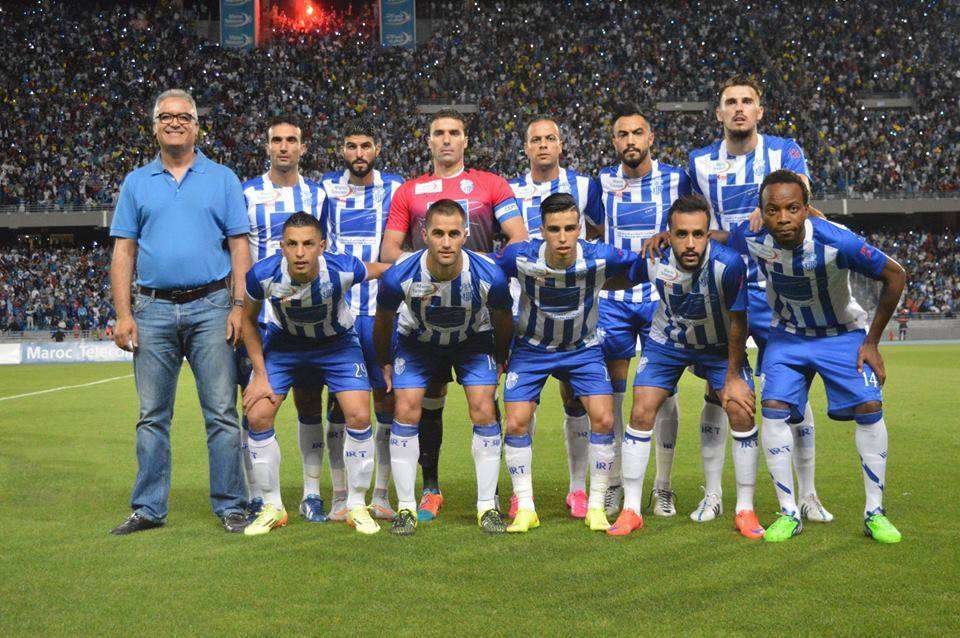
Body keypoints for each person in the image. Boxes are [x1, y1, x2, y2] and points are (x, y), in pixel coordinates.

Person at [719, 170, 905, 543]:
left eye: (791, 208)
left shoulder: (838, 241)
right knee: (772, 406)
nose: (783, 218)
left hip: (841, 335)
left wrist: (872, 343)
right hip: (788, 336)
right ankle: (789, 513)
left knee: (870, 407)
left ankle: (875, 513)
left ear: (806, 210)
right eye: (773, 210)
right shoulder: (750, 236)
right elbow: (718, 240)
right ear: (761, 212)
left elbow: (896, 275)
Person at [687, 75, 831, 523]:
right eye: (730, 102)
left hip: (778, 288)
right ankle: (713, 495)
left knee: (792, 396)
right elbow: (693, 219)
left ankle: (806, 494)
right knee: (718, 392)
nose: (739, 109)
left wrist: (763, 211)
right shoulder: (700, 162)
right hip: (724, 289)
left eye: (747, 101)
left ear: (760, 110)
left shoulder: (785, 151)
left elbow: (802, 193)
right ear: (719, 113)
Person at [108, 89, 251, 535]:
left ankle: (230, 503)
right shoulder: (136, 182)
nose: (174, 122)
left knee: (222, 413)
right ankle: (149, 507)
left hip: (212, 306)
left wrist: (238, 305)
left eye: (183, 116)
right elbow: (123, 251)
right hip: (151, 309)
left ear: (196, 125)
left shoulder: (222, 177)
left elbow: (239, 245)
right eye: (165, 117)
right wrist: (124, 313)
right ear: (154, 126)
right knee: (152, 415)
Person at [380, 109, 527, 522]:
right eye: (438, 133)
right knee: (427, 403)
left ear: (465, 140)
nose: (446, 139)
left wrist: (475, 264)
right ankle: (429, 489)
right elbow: (390, 254)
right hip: (425, 308)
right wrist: (431, 268)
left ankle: (490, 497)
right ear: (428, 141)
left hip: (475, 308)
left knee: (484, 403)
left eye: (454, 133)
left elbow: (517, 240)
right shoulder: (409, 191)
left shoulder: (491, 184)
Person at [610, 194, 762, 539]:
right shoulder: (655, 258)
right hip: (669, 343)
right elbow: (622, 278)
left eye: (698, 234)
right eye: (681, 234)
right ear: (668, 233)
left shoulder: (730, 265)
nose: (690, 243)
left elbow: (740, 321)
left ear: (708, 234)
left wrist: (735, 376)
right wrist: (584, 282)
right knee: (642, 410)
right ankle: (631, 509)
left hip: (720, 346)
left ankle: (745, 509)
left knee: (741, 410)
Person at [493, 193, 646, 534]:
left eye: (569, 228)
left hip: (582, 349)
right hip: (532, 349)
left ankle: (595, 506)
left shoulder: (598, 256)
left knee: (605, 418)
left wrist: (660, 246)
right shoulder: (520, 256)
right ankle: (526, 507)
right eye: (554, 229)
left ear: (580, 229)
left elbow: (638, 266)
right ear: (542, 231)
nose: (562, 237)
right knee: (516, 422)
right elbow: (489, 270)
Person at [241, 213, 389, 536]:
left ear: (321, 246)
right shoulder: (262, 276)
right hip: (285, 346)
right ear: (281, 246)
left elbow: (380, 270)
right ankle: (272, 507)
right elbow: (248, 321)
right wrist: (260, 374)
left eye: (308, 244)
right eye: (292, 244)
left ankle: (356, 504)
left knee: (360, 415)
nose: (300, 252)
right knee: (258, 414)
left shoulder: (342, 269)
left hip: (338, 345)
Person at [374, 199, 514, 535]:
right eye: (438, 233)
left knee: (484, 408)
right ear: (424, 234)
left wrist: (501, 357)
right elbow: (383, 321)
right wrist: (385, 361)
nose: (446, 242)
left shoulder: (489, 276)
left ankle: (486, 507)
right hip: (418, 343)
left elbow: (503, 320)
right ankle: (406, 508)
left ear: (466, 234)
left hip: (472, 342)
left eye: (454, 233)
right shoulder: (399, 277)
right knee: (406, 409)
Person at [506, 115, 603, 519]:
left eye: (550, 138)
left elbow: (600, 233)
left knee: (575, 400)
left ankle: (578, 489)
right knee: (520, 410)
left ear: (561, 145)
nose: (543, 145)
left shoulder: (585, 186)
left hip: (576, 306)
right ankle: (520, 493)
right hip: (528, 311)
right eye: (535, 140)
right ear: (525, 148)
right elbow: (506, 248)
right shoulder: (510, 191)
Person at [596, 103, 688, 520]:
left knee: (662, 388)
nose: (630, 141)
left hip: (661, 296)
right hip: (614, 301)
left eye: (637, 133)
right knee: (613, 392)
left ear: (651, 138)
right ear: (614, 141)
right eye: (622, 134)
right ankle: (614, 482)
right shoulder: (601, 184)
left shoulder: (676, 179)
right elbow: (595, 227)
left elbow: (693, 224)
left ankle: (663, 487)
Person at [240, 115, 329, 523]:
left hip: (304, 316)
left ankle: (311, 493)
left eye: (292, 140)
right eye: (277, 140)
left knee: (310, 402)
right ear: (268, 146)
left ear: (302, 147)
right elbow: (235, 249)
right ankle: (259, 495)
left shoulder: (318, 195)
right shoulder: (247, 193)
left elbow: (326, 252)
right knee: (255, 403)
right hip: (259, 316)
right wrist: (236, 306)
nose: (284, 147)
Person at [321, 121, 405, 522]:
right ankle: (340, 494)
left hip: (381, 312)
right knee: (340, 405)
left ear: (377, 149)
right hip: (338, 314)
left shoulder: (395, 188)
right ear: (342, 151)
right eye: (351, 145)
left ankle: (383, 493)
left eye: (365, 145)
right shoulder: (325, 190)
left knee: (387, 399)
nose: (359, 152)